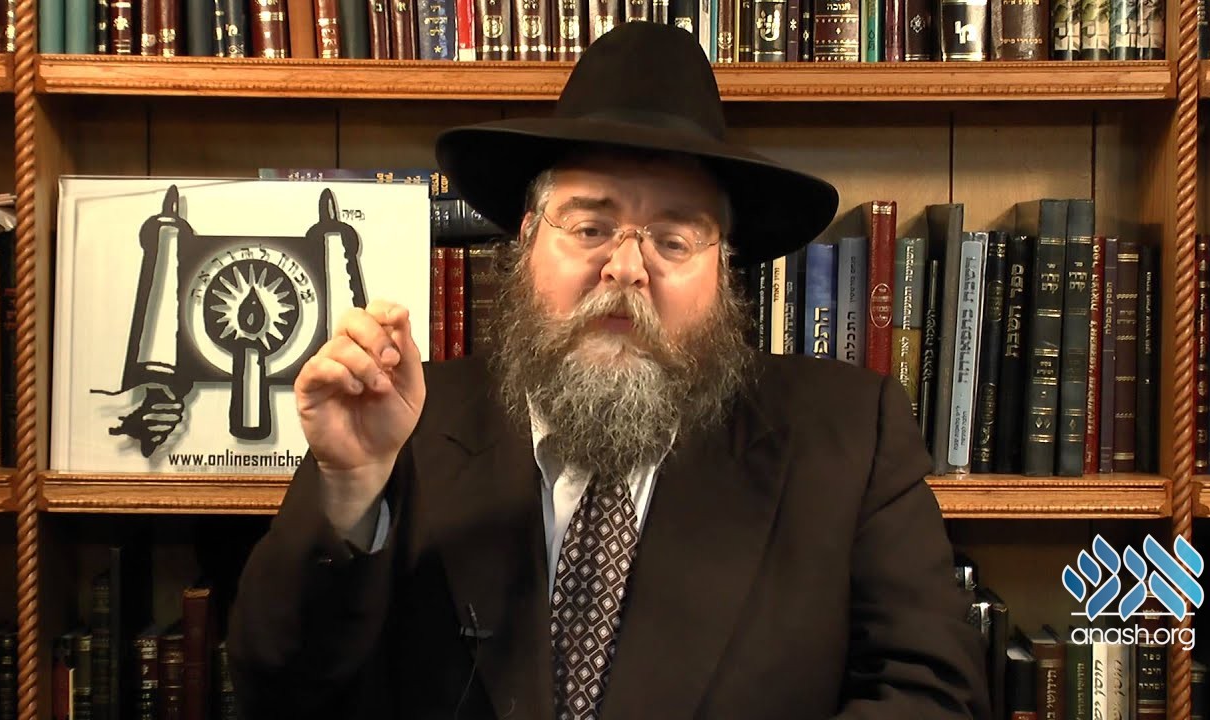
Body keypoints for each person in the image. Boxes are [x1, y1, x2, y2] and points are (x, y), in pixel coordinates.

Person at [226, 20, 991, 720]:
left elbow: (934, 697)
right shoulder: (400, 424)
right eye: (591, 226)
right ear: (527, 240)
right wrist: (351, 491)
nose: (625, 267)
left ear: (723, 270)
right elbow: (278, 692)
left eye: (673, 240)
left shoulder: (848, 436)